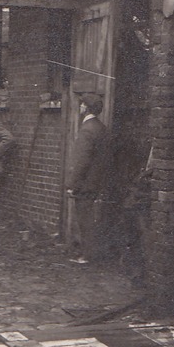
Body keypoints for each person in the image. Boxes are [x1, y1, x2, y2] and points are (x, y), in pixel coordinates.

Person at [66, 91, 109, 265]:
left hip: (86, 184)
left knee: (85, 220)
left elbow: (81, 162)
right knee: (91, 218)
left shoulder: (86, 130)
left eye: (82, 104)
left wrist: (72, 184)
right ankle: (91, 253)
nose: (80, 107)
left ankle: (87, 255)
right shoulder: (101, 128)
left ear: (85, 108)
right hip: (97, 181)